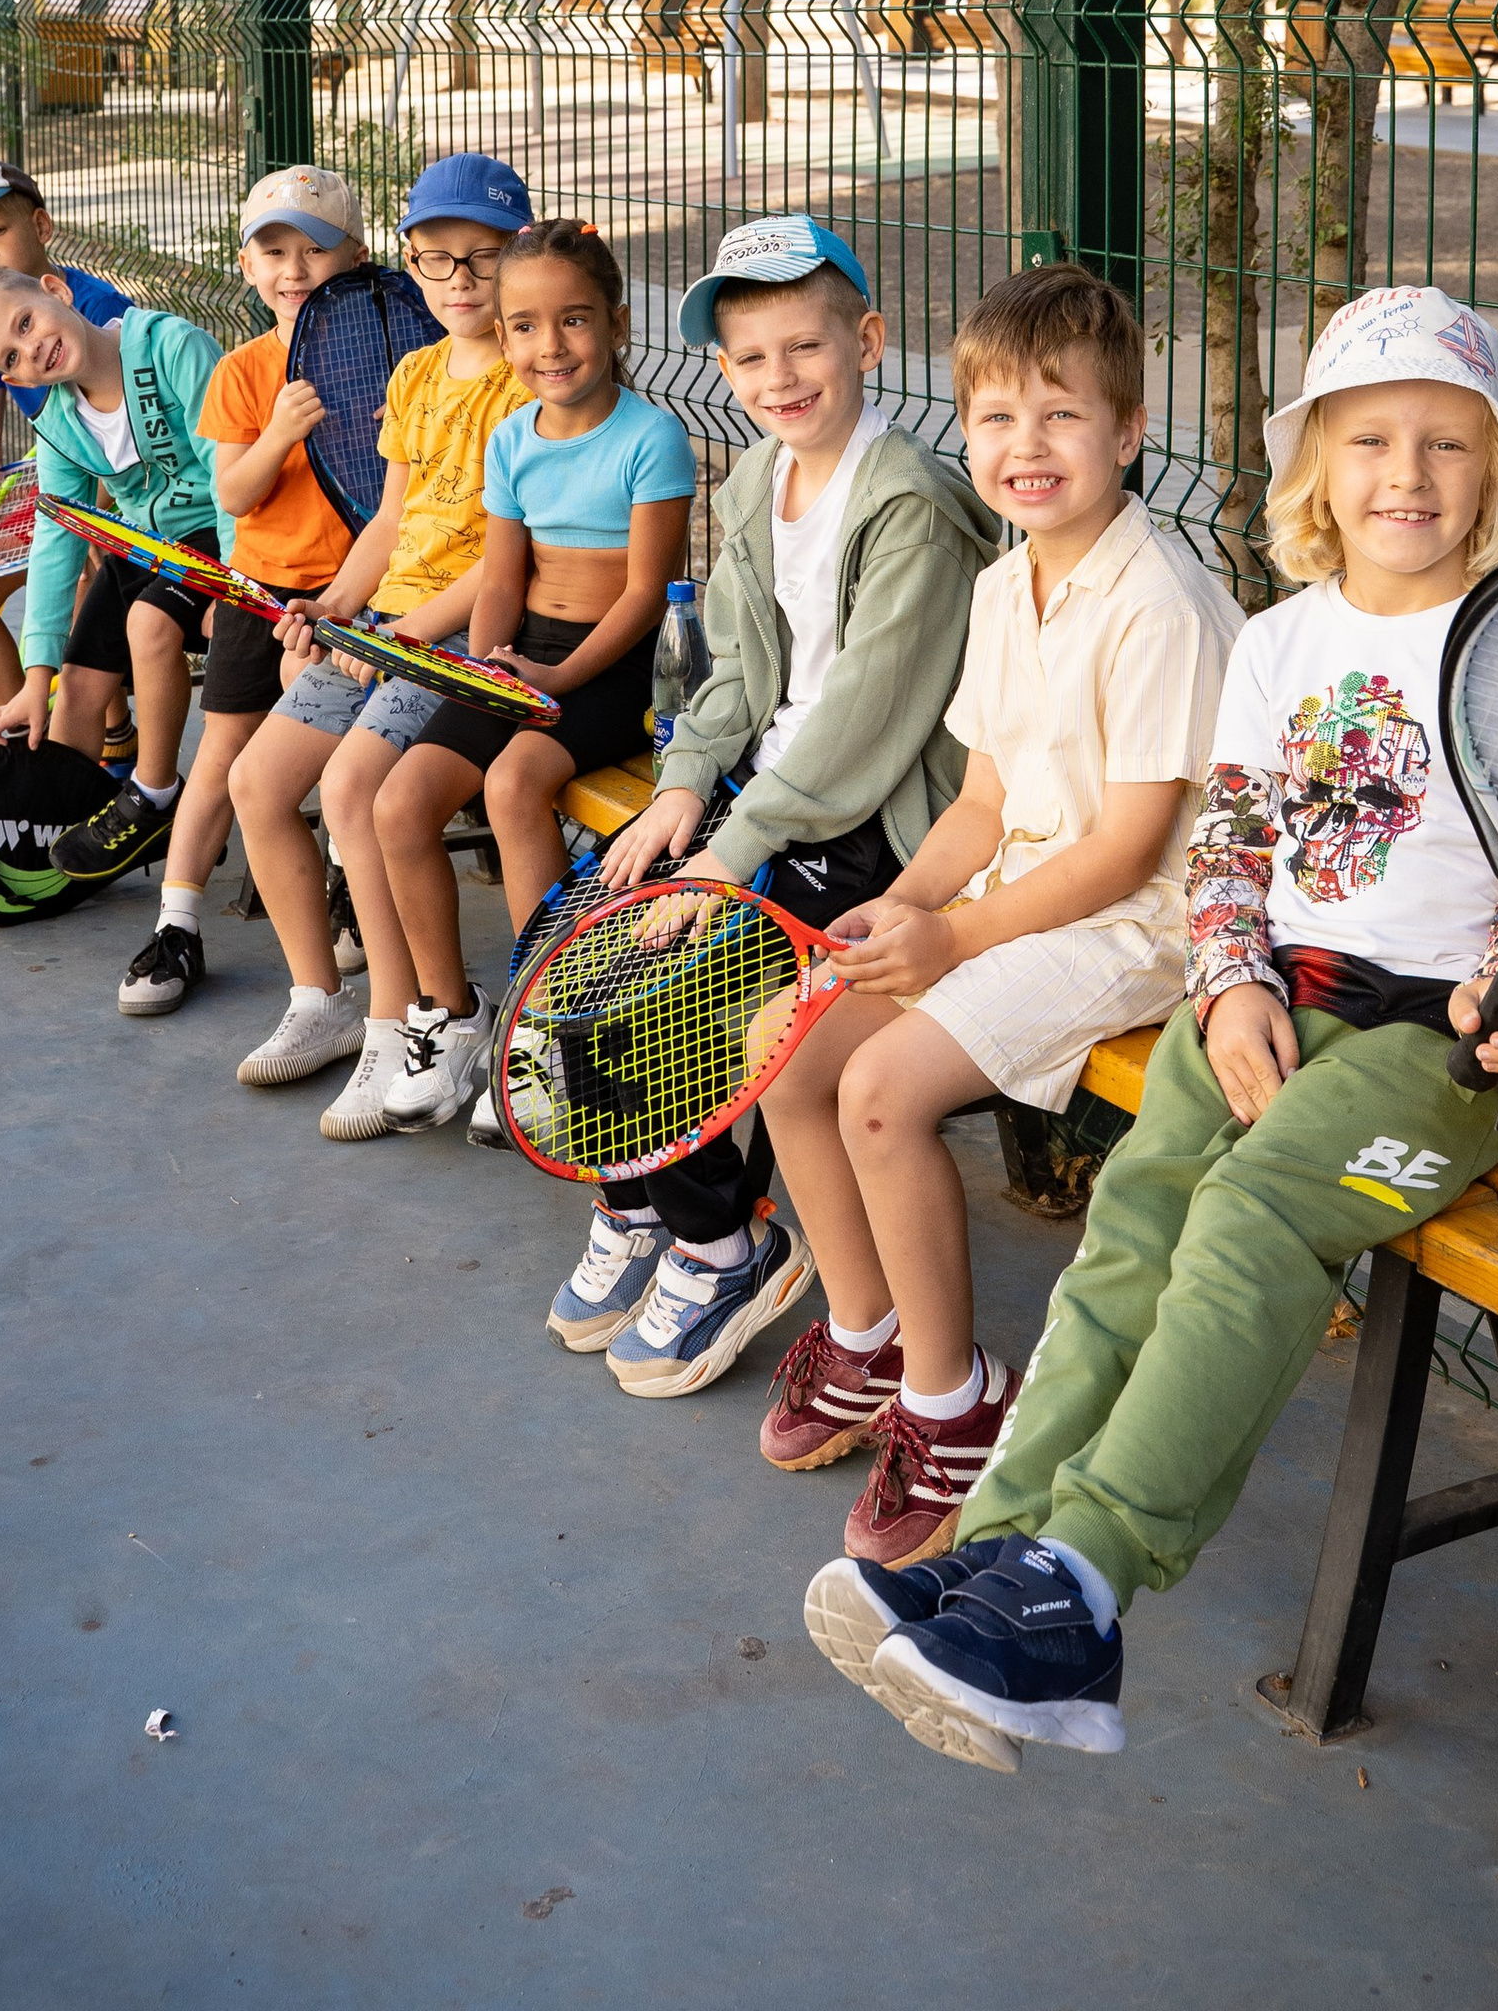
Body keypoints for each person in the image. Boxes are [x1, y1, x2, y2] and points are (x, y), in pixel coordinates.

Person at [803, 281, 1498, 1772]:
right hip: (1272, 1002)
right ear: (1318, 473)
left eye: (1447, 446)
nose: (1407, 477)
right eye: (1371, 443)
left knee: (1249, 1220)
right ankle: (989, 1552)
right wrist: (1229, 984)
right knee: (1139, 1214)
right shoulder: (1283, 644)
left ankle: (1080, 1589)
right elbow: (1229, 852)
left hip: (1438, 1057)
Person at [755, 262, 1236, 1572]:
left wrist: (953, 939)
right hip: (1014, 896)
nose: (1026, 449)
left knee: (880, 1093)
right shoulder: (996, 585)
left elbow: (1134, 849)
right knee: (788, 1048)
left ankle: (954, 1404)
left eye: (1062, 416)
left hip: (1139, 925)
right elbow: (979, 801)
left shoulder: (1162, 601)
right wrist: (898, 909)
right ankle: (866, 1333)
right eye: (997, 420)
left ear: (1127, 431)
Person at [551, 214, 1001, 1399]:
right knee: (601, 930)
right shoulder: (755, 479)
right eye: (750, 358)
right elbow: (744, 674)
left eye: (803, 348)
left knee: (683, 985)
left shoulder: (911, 504)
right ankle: (641, 1202)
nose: (778, 379)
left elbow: (861, 723)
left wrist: (730, 851)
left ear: (866, 340)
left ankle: (724, 1248)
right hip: (768, 798)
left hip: (870, 825)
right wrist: (687, 784)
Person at [367, 221, 696, 1135]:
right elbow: (503, 579)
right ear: (504, 334)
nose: (549, 346)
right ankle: (455, 1014)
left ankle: (549, 1030)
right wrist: (483, 665)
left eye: (574, 321)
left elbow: (642, 598)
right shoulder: (511, 440)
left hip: (613, 665)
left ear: (620, 324)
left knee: (515, 784)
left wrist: (553, 679)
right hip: (523, 658)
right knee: (398, 806)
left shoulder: (652, 439)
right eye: (524, 326)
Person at [225, 153, 533, 1119]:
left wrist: (397, 633)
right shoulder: (413, 372)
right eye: (437, 261)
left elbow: (505, 561)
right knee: (255, 781)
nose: (460, 283)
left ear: (517, 258)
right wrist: (338, 612)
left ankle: (403, 1023)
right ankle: (323, 1001)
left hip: (458, 638)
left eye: (483, 261)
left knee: (354, 783)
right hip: (387, 626)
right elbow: (390, 525)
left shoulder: (533, 385)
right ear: (408, 262)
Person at [107, 169, 377, 1023]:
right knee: (221, 752)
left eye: (315, 250)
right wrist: (284, 431)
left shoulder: (387, 365)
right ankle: (177, 922)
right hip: (260, 590)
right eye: (274, 252)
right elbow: (233, 496)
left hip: (348, 594)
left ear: (358, 259)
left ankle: (343, 889)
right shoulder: (242, 370)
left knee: (330, 745)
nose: (294, 269)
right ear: (247, 267)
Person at [0, 264, 228, 877]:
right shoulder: (55, 420)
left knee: (150, 625)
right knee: (75, 685)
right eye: (14, 354)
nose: (34, 348)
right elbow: (57, 537)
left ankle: (155, 795)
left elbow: (230, 473)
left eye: (27, 323)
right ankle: (60, 829)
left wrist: (237, 586)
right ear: (11, 377)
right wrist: (33, 680)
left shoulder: (169, 346)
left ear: (56, 291)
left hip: (226, 532)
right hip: (151, 545)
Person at [0, 157, 127, 711]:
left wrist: (94, 525)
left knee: (88, 591)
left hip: (120, 494)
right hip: (65, 493)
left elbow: (128, 443)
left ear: (40, 227)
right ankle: (29, 735)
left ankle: (109, 737)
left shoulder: (99, 309)